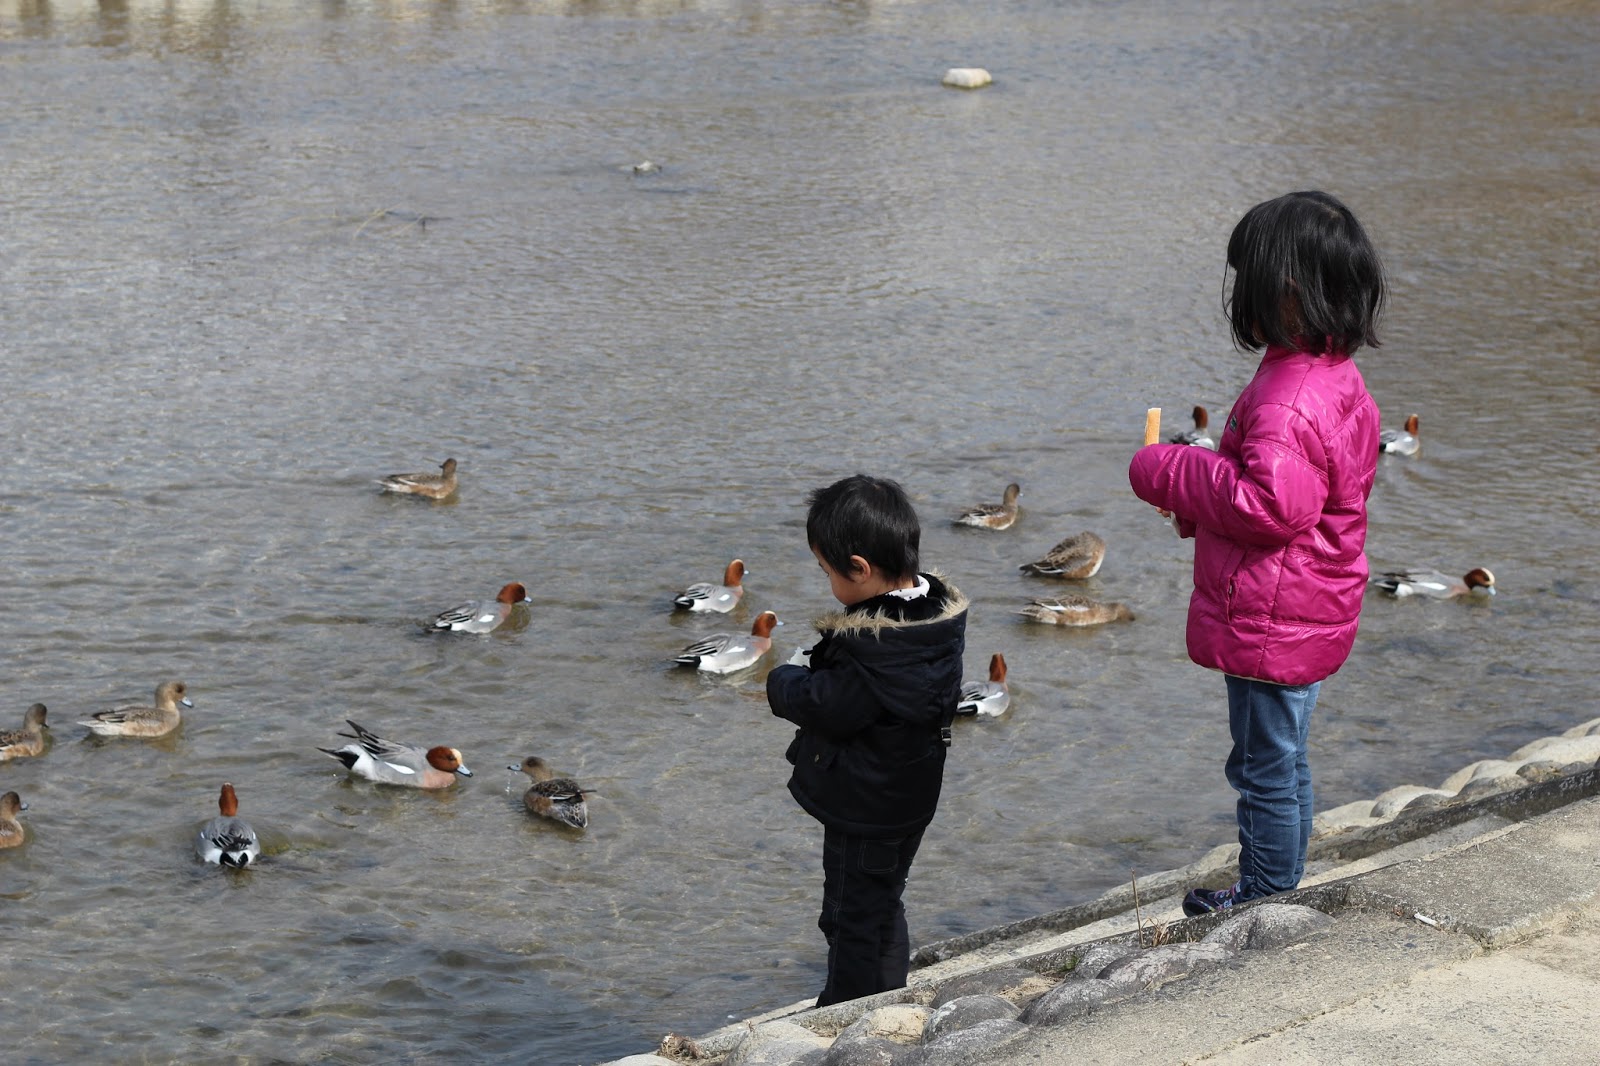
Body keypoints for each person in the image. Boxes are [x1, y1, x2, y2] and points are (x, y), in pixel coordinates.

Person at [1128, 190, 1385, 916]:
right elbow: (1300, 490)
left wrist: (1169, 470)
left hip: (1276, 612)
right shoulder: (1332, 372)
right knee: (1285, 755)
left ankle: (1265, 900)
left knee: (1262, 764)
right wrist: (1206, 487)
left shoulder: (1287, 395)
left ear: (1285, 294)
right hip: (1309, 598)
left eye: (1244, 279)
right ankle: (1279, 883)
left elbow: (1274, 506)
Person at [767, 474, 969, 1006]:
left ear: (859, 568)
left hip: (866, 805)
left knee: (849, 916)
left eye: (826, 570)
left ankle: (845, 1013)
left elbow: (825, 704)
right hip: (909, 796)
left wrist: (783, 677)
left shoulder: (873, 649)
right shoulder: (932, 623)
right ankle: (886, 1000)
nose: (826, 581)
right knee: (883, 902)